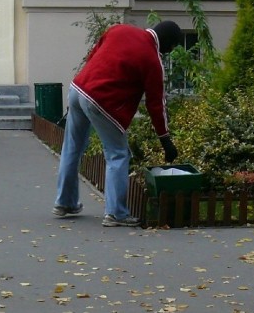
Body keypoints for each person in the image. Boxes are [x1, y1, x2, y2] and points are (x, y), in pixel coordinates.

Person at [53, 21, 182, 227]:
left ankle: (64, 203)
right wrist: (165, 139)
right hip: (102, 101)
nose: (169, 52)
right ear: (167, 41)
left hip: (78, 89)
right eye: (172, 47)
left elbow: (93, 54)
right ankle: (116, 214)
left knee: (72, 149)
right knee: (118, 154)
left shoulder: (119, 29)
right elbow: (156, 103)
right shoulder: (152, 60)